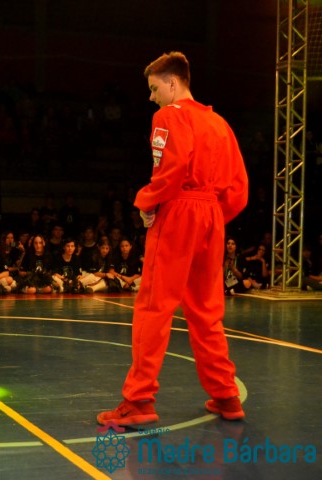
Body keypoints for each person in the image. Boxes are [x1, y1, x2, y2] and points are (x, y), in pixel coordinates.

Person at [97, 52, 248, 426]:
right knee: (207, 311)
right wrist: (212, 217)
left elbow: (171, 168)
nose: (151, 97)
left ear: (172, 83)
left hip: (179, 211)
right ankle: (227, 396)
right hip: (211, 216)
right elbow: (239, 189)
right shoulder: (219, 123)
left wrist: (147, 201)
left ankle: (139, 400)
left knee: (154, 306)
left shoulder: (168, 116)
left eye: (154, 88)